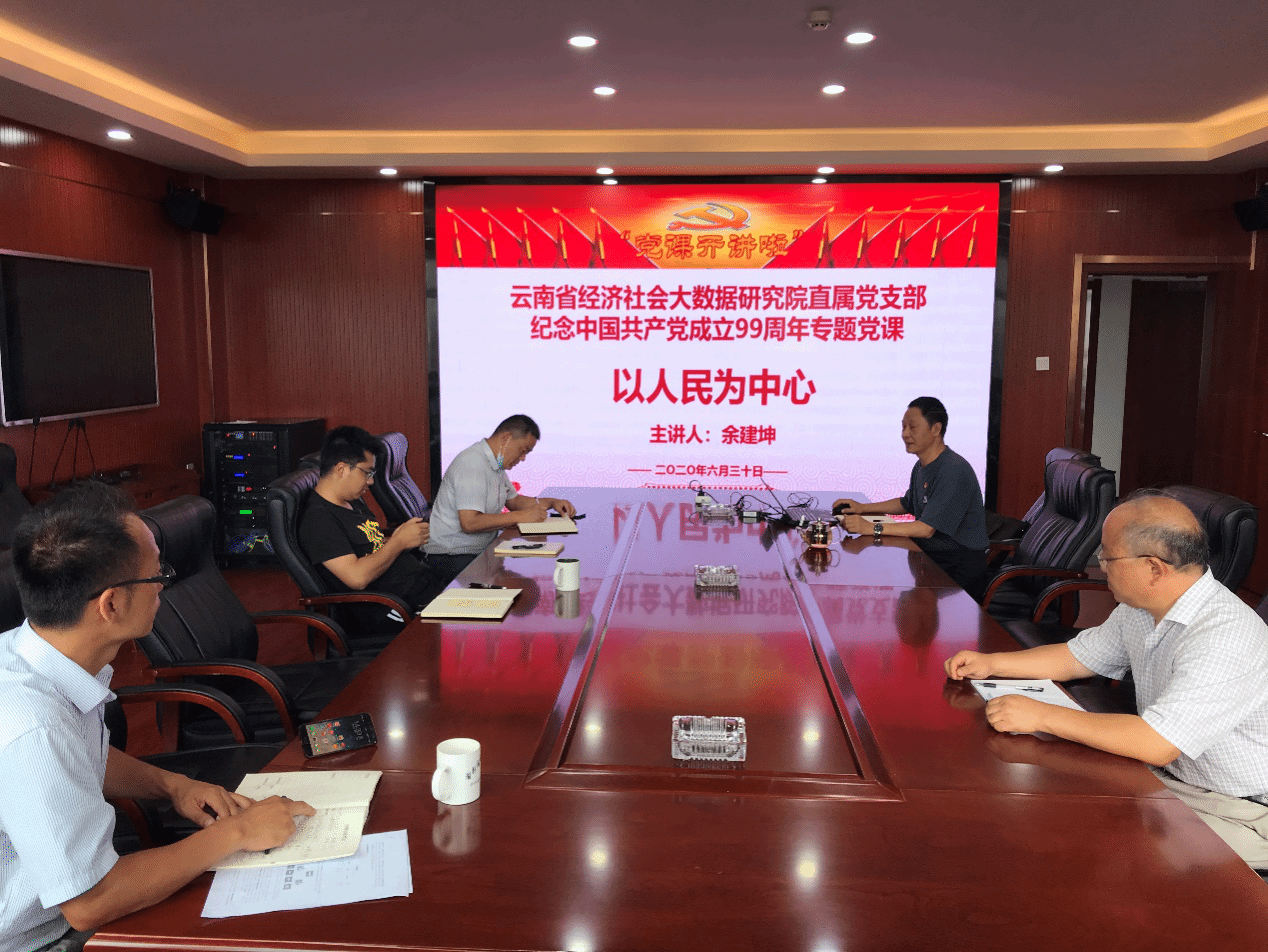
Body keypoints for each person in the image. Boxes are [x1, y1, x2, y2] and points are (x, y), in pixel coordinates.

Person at [0, 481, 314, 952]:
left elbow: (75, 757)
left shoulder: (26, 654)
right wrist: (237, 832)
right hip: (40, 937)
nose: (164, 586)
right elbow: (90, 902)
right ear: (111, 604)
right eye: (156, 575)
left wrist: (173, 787)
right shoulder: (33, 725)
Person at [945, 489, 1268, 869]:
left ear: (1154, 568)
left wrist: (1042, 715)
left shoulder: (1224, 635)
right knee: (1049, 811)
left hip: (1242, 808)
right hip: (1173, 778)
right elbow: (1077, 658)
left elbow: (1158, 743)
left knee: (1108, 852)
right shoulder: (1144, 606)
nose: (1100, 565)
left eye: (1108, 557)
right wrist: (991, 663)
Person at [832, 396, 990, 599]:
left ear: (936, 429)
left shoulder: (953, 469)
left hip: (957, 572)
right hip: (931, 558)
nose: (905, 434)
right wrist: (861, 508)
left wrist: (871, 527)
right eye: (903, 427)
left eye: (912, 427)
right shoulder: (922, 466)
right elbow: (906, 503)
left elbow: (925, 529)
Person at [299, 426, 444, 620]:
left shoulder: (351, 501)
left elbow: (370, 546)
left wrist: (402, 537)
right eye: (367, 473)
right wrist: (398, 542)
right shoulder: (319, 520)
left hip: (421, 588)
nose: (371, 482)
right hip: (393, 607)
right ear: (341, 469)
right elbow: (356, 577)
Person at [424, 415, 576, 585]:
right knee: (521, 587)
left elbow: (514, 501)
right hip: (453, 558)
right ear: (506, 438)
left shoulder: (495, 464)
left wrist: (552, 502)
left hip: (480, 551)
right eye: (523, 450)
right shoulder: (472, 464)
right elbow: (469, 522)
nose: (523, 458)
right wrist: (520, 517)